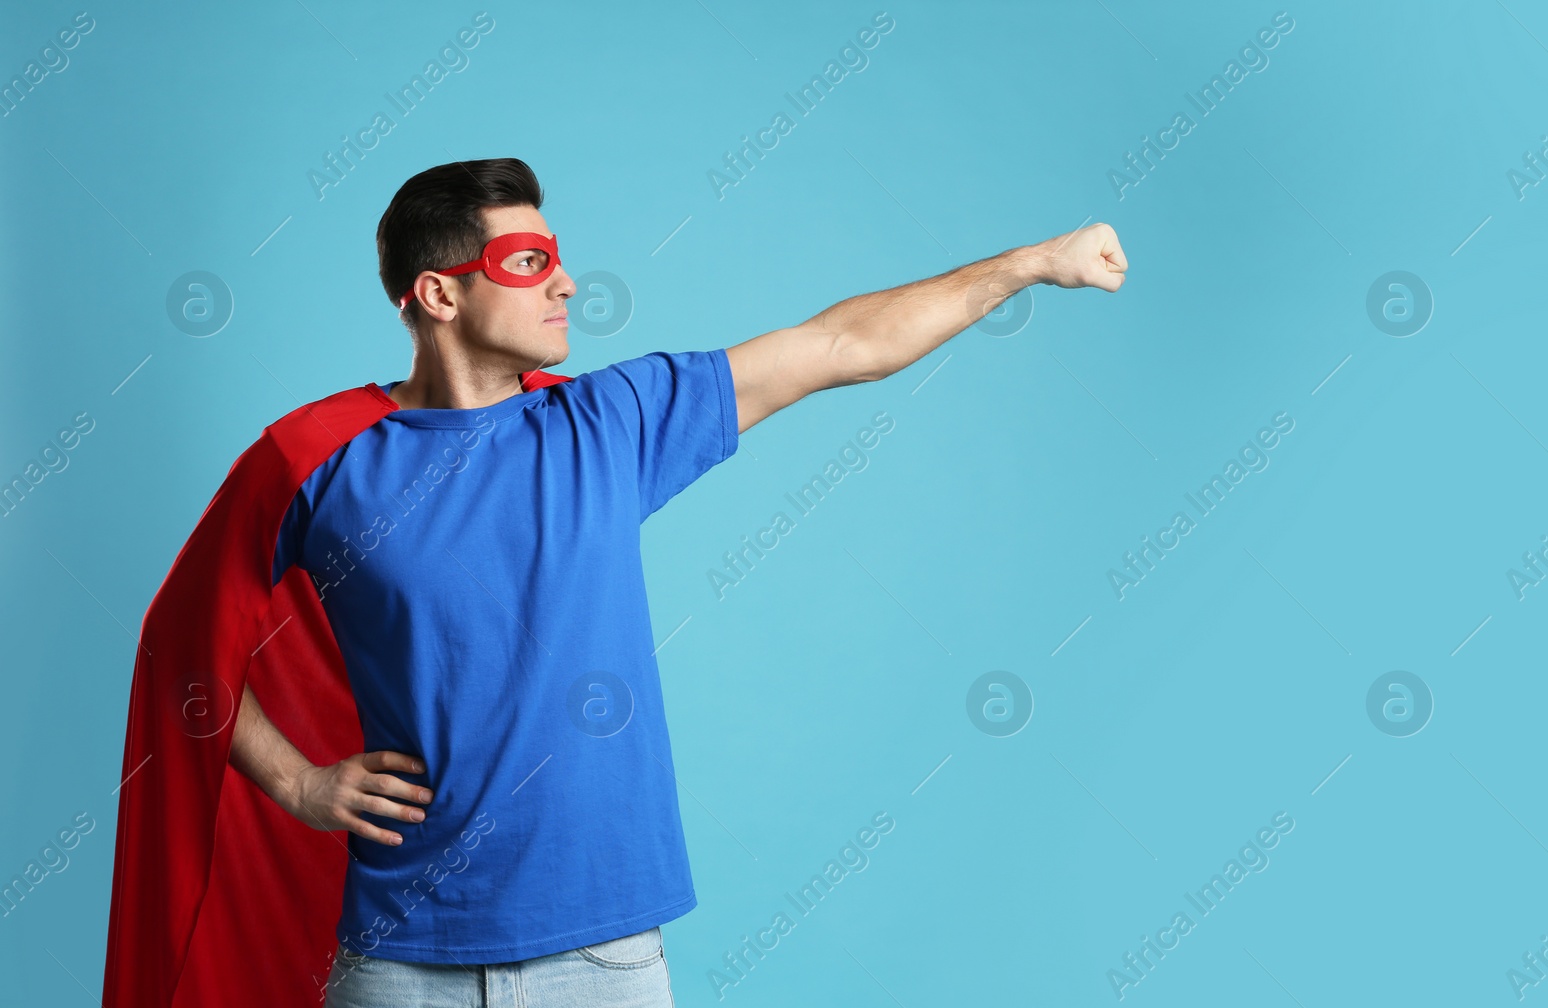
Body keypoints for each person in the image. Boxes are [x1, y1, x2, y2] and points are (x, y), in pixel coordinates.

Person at [220, 157, 1127, 1007]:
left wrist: (1035, 263)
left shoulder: (608, 425)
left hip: (601, 957)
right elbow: (186, 653)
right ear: (439, 292)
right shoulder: (317, 461)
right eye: (529, 260)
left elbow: (840, 344)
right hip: (400, 962)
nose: (565, 283)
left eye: (558, 259)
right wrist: (300, 786)